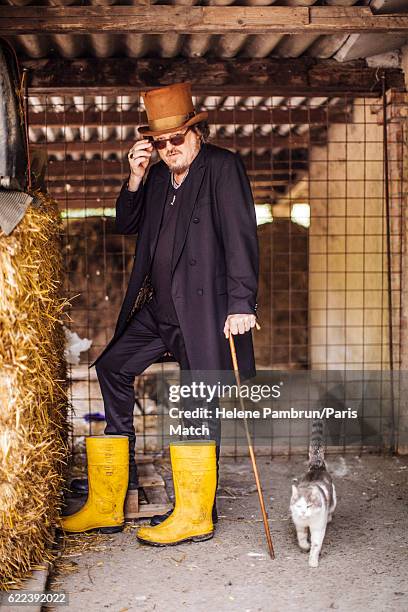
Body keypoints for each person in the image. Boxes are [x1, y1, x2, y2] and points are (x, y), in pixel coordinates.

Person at [64, 82, 259, 545]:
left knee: (196, 402)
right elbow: (127, 223)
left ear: (197, 133)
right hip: (159, 309)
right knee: (111, 366)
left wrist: (241, 303)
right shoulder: (154, 178)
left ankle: (195, 514)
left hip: (206, 311)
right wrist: (134, 176)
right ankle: (108, 504)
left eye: (177, 139)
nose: (169, 149)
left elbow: (242, 236)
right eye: (161, 142)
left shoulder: (222, 167)